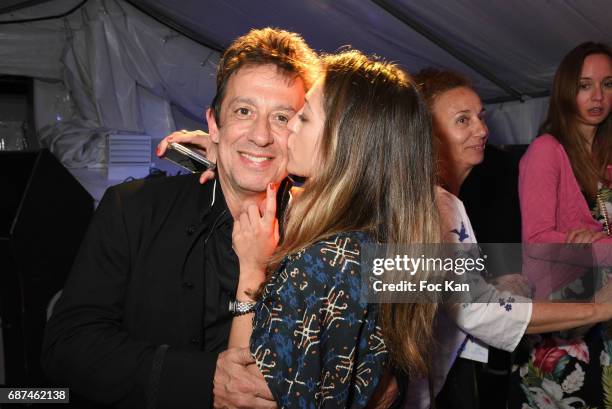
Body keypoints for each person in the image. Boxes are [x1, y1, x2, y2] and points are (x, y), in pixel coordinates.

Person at [42, 27, 319, 409]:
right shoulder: (132, 209)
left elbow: (399, 341)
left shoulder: (330, 227)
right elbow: (66, 345)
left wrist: (391, 379)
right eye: (244, 111)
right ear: (214, 124)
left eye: (283, 118)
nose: (260, 136)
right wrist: (201, 379)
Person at [224, 50, 441, 408]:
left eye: (304, 118)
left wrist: (250, 274)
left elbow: (241, 395)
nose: (290, 125)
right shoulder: (387, 244)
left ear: (345, 142)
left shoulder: (319, 263)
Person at [414, 66, 612, 409]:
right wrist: (597, 308)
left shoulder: (449, 199)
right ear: (425, 131)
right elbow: (474, 308)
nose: (482, 129)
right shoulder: (428, 202)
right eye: (463, 120)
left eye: (480, 116)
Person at [512, 42, 612, 409]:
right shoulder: (546, 150)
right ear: (566, 88)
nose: (598, 96)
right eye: (585, 85)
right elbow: (537, 241)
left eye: (608, 84)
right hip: (566, 332)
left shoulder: (607, 155)